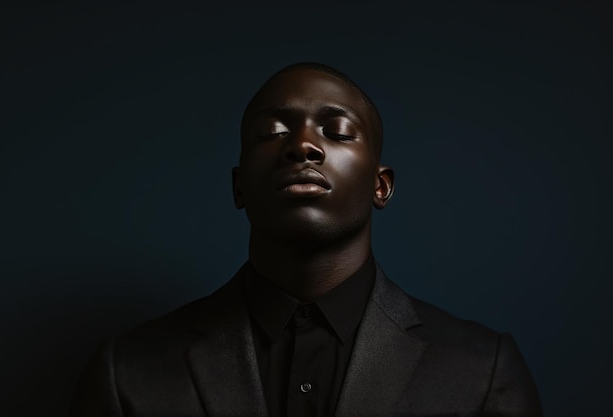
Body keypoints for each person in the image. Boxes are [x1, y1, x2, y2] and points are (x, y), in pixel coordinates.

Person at [70, 62, 543, 417]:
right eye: (272, 132)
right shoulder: (127, 373)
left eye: (337, 131)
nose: (302, 145)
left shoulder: (482, 372)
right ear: (239, 186)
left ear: (381, 186)